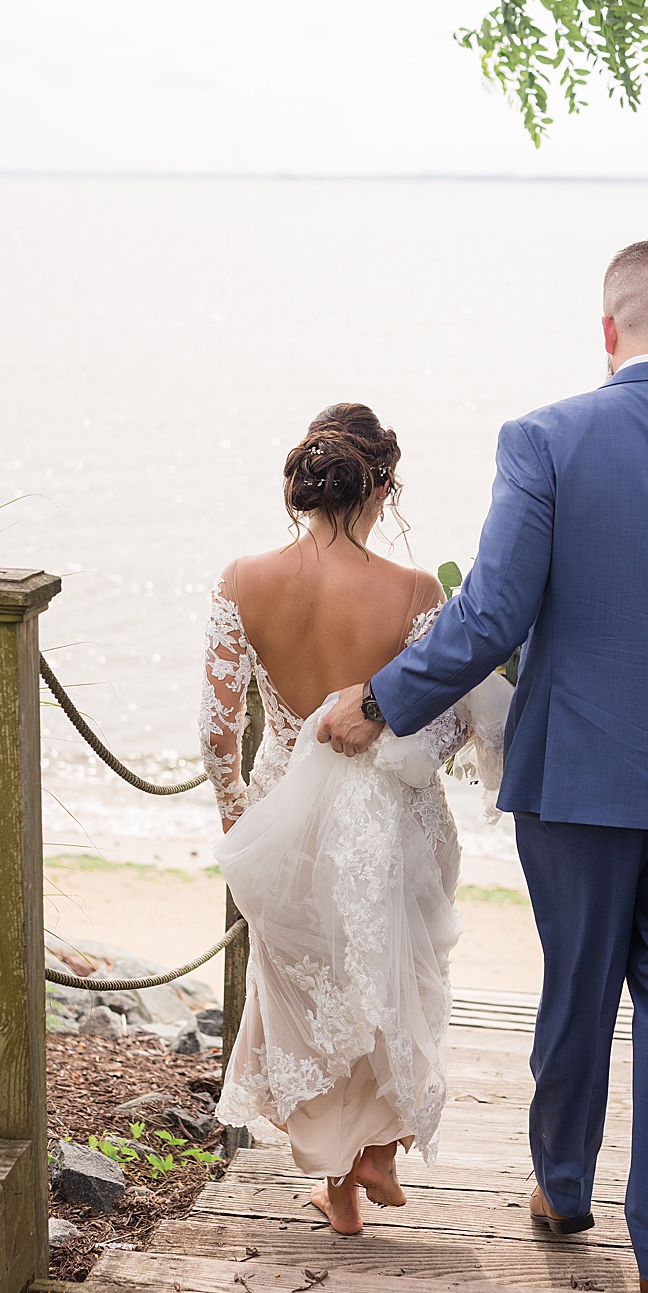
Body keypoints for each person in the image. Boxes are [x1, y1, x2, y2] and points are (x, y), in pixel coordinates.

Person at [316, 239, 648, 1293]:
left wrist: (379, 702)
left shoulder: (548, 438)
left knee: (579, 989)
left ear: (608, 334)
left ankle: (562, 1186)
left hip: (579, 786)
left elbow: (491, 613)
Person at [200, 404, 509, 1235]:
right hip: (392, 822)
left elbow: (216, 730)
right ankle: (378, 1151)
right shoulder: (413, 592)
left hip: (281, 821)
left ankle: (337, 1184)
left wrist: (243, 827)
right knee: (394, 977)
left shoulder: (242, 581)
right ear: (380, 486)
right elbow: (447, 728)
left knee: (307, 988)